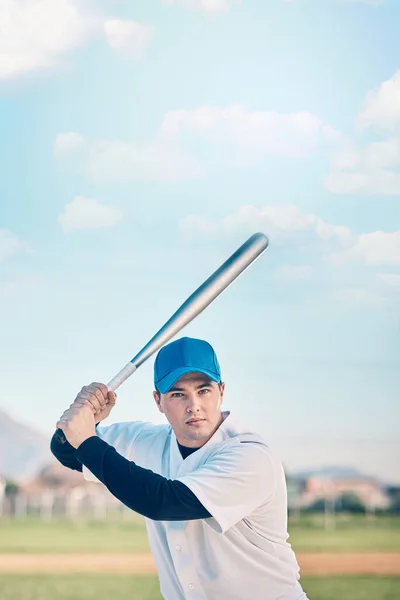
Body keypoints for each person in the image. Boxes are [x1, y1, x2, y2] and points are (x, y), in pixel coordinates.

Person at [51, 336, 308, 600]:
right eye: (177, 394)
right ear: (158, 401)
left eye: (204, 390)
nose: (193, 404)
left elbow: (167, 501)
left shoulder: (251, 455)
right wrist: (81, 416)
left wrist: (85, 437)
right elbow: (68, 450)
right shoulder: (147, 440)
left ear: (221, 391)